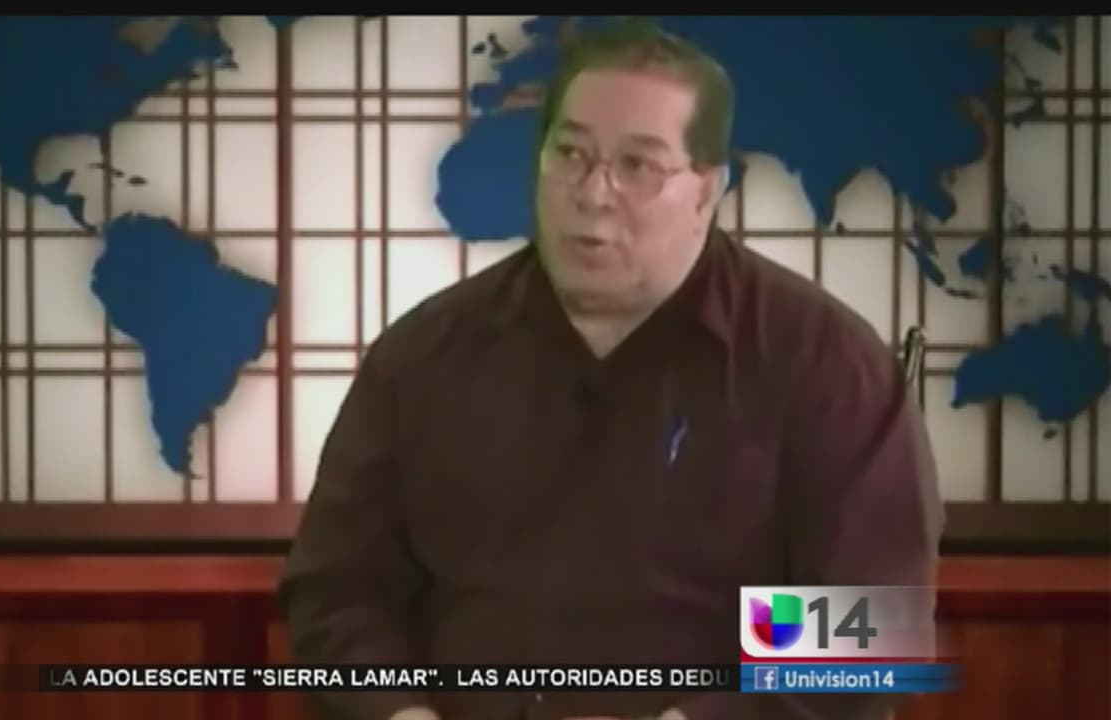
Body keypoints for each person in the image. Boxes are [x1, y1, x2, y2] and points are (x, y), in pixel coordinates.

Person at [278, 17, 944, 720]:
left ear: (707, 190)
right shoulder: (428, 356)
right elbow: (340, 590)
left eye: (637, 165)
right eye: (570, 153)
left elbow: (867, 625)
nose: (593, 192)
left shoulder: (821, 365)